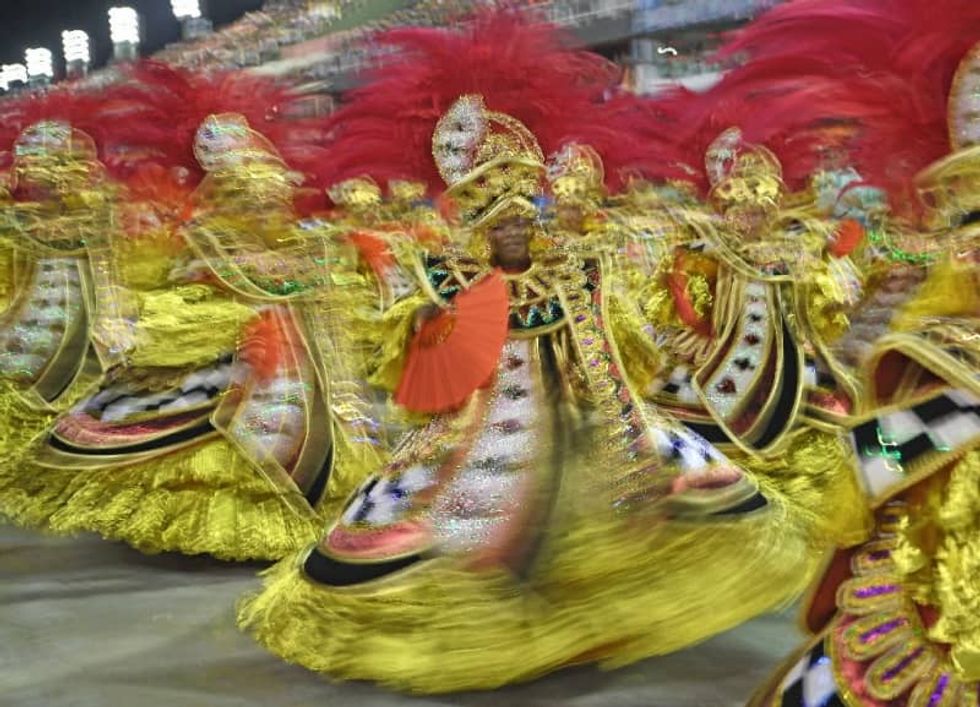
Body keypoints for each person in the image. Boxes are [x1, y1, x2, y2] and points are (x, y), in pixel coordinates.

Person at [238, 17, 822, 691]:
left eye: (523, 218)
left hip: (583, 415)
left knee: (662, 504)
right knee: (450, 530)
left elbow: (613, 349)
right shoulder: (449, 279)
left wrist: (616, 401)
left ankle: (590, 616)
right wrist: (433, 325)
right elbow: (418, 366)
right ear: (481, 229)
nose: (516, 231)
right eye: (502, 223)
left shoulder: (572, 271)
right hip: (478, 427)